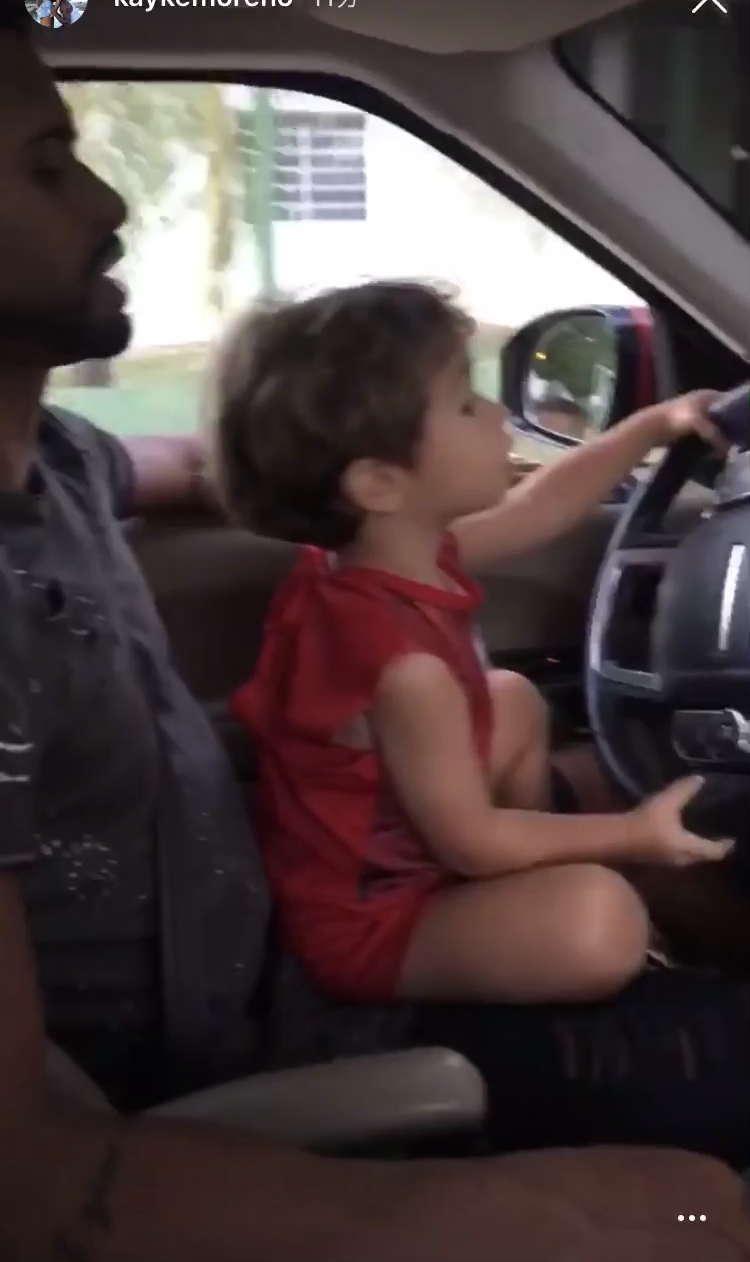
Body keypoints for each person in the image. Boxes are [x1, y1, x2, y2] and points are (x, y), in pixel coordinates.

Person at [0, 0, 747, 1262]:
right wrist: (525, 1216)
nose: (110, 203)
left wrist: (301, 460)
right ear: (377, 479)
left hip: (300, 913)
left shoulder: (58, 460)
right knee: (658, 1000)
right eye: (43, 165)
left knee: (540, 736)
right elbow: (27, 1180)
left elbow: (194, 469)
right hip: (286, 1041)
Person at [214, 285, 732, 1009]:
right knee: (600, 917)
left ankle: (524, 892)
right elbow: (473, 843)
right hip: (371, 924)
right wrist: (633, 834)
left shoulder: (388, 560)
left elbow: (539, 506)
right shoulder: (406, 670)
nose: (496, 413)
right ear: (379, 483)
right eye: (465, 404)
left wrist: (652, 426)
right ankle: (528, 923)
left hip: (408, 843)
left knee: (510, 698)